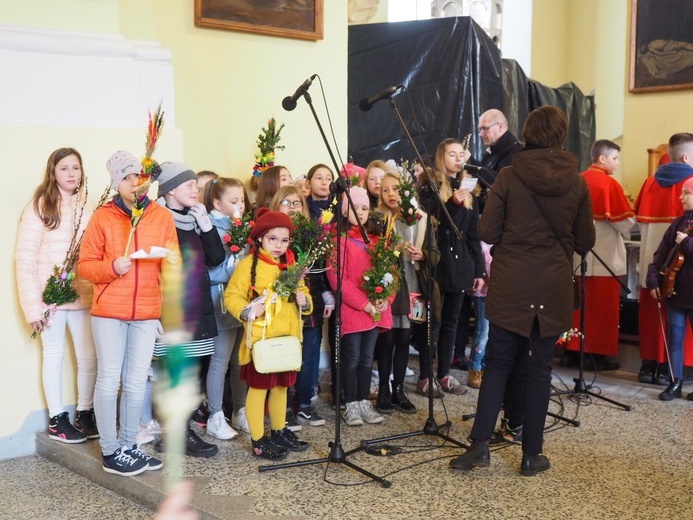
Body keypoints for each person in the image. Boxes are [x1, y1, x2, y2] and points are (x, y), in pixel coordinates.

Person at [449, 106, 595, 476]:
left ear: (527, 133)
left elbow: (487, 233)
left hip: (512, 282)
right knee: (539, 370)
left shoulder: (511, 177)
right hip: (553, 283)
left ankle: (480, 446)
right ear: (562, 135)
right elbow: (584, 240)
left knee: (497, 364)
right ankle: (532, 455)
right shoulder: (578, 181)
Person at [78, 150, 178, 476]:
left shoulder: (161, 216)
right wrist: (111, 266)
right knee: (109, 380)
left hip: (147, 312)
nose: (134, 182)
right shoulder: (103, 217)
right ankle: (110, 452)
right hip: (109, 311)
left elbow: (172, 265)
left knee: (135, 382)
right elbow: (85, 267)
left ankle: (128, 446)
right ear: (116, 182)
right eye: (126, 177)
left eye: (138, 175)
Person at [16, 147, 97, 443]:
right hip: (50, 299)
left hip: (83, 295)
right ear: (53, 172)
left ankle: (85, 413)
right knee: (53, 356)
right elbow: (24, 258)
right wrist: (33, 308)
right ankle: (56, 419)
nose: (71, 173)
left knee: (88, 357)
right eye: (64, 168)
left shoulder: (89, 207)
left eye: (76, 167)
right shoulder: (39, 206)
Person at [153, 162, 228, 457]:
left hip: (198, 306)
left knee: (194, 370)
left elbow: (215, 259)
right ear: (171, 189)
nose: (196, 190)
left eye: (196, 185)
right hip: (172, 309)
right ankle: (178, 435)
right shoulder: (158, 219)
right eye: (189, 186)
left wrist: (207, 227)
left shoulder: (195, 218)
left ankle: (179, 432)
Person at [224, 208, 312, 459]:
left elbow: (304, 291)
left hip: (287, 340)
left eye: (284, 240)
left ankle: (278, 430)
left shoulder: (291, 264)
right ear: (261, 238)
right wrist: (248, 308)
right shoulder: (248, 265)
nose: (279, 245)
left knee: (282, 388)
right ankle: (258, 440)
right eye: (273, 239)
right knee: (259, 389)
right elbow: (232, 296)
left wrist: (303, 299)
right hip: (261, 343)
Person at [417, 138, 485, 396]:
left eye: (461, 154)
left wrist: (479, 269)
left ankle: (444, 374)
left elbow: (472, 234)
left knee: (452, 323)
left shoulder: (470, 189)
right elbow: (436, 226)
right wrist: (452, 204)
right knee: (431, 322)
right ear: (441, 157)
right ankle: (425, 376)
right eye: (452, 154)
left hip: (462, 264)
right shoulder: (430, 186)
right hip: (437, 260)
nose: (458, 158)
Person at [561, 140, 635, 371]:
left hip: (575, 259)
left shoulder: (575, 180)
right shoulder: (609, 184)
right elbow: (625, 223)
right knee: (602, 311)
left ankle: (569, 353)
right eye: (614, 158)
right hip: (604, 259)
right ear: (601, 159)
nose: (617, 163)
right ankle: (598, 357)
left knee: (575, 309)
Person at [374, 172, 439, 414]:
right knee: (387, 339)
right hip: (391, 289)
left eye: (396, 189)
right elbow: (372, 253)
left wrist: (423, 256)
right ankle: (383, 389)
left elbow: (435, 252)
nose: (391, 194)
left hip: (414, 286)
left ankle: (398, 389)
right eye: (385, 190)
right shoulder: (379, 218)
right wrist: (392, 249)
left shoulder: (420, 218)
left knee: (404, 339)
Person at [326, 187, 391, 426]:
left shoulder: (376, 239)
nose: (361, 212)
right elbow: (337, 278)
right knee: (351, 358)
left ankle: (365, 401)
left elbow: (390, 272)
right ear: (345, 211)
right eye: (355, 208)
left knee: (367, 359)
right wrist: (364, 304)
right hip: (354, 311)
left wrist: (385, 298)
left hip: (375, 310)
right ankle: (350, 404)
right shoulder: (338, 240)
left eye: (364, 208)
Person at [270, 186, 332, 427]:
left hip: (310, 303)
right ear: (276, 205)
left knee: (310, 356)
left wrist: (326, 294)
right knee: (285, 355)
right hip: (284, 306)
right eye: (286, 202)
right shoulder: (271, 236)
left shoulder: (312, 233)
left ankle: (305, 403)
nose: (293, 207)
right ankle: (283, 406)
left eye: (297, 203)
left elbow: (320, 271)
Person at [635, 133, 693, 385]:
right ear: (686, 156)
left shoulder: (649, 183)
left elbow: (636, 220)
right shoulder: (691, 182)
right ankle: (678, 370)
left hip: (653, 261)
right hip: (683, 268)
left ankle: (649, 365)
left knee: (651, 315)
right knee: (681, 322)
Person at [204, 177, 252, 436]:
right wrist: (234, 267)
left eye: (242, 201)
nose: (240, 206)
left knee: (239, 361)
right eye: (234, 202)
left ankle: (240, 410)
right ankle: (215, 415)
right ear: (217, 203)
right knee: (219, 361)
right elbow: (208, 274)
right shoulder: (210, 227)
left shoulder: (241, 226)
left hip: (241, 300)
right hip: (220, 301)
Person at [646, 177, 693, 401]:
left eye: (686, 193)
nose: (681, 197)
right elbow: (661, 254)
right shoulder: (678, 223)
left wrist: (687, 243)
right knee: (675, 338)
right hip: (675, 293)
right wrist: (653, 278)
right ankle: (675, 383)